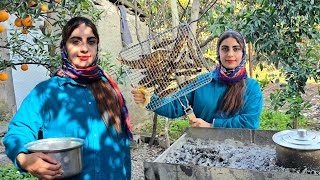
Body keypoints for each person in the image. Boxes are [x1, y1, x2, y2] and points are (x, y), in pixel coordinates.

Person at [3, 16, 132, 180]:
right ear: (64, 47)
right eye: (76, 41)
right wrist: (24, 159)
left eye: (91, 42)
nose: (84, 48)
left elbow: (122, 146)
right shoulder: (46, 92)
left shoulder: (109, 89)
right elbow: (19, 130)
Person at [132, 30, 263, 129]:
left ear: (243, 53)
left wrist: (212, 126)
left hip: (238, 150)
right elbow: (174, 106)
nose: (230, 54)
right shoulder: (203, 81)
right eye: (225, 49)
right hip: (200, 148)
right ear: (218, 52)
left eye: (236, 49)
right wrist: (149, 100)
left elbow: (249, 123)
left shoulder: (252, 87)